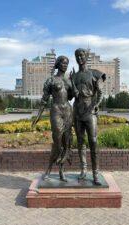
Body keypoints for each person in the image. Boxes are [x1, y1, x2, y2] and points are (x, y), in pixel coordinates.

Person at [32, 56, 73, 182]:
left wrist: (74, 84)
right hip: (56, 111)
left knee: (67, 142)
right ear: (57, 64)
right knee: (57, 142)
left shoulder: (69, 80)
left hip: (68, 111)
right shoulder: (51, 80)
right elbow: (44, 100)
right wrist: (38, 115)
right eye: (62, 63)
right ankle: (49, 169)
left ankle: (61, 171)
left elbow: (71, 97)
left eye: (67, 63)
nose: (65, 65)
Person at [70, 48, 106, 185]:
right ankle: (84, 170)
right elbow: (70, 95)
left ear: (86, 56)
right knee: (80, 142)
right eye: (77, 56)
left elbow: (100, 91)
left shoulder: (94, 73)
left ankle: (95, 173)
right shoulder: (74, 76)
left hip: (90, 110)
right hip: (78, 111)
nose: (79, 58)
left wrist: (97, 104)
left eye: (82, 55)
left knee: (93, 141)